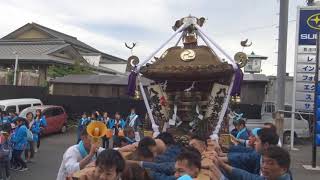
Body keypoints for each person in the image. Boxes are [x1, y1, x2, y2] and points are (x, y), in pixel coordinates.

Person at [219, 146, 292, 180]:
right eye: (263, 162)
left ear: (283, 169)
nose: (264, 166)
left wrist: (218, 175)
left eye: (271, 163)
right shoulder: (271, 177)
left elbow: (243, 157)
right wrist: (223, 165)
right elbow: (247, 176)